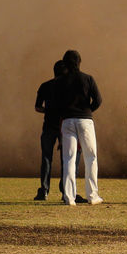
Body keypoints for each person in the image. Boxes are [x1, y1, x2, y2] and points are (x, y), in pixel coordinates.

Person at [57, 49, 104, 206]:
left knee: (68, 159)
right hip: (85, 121)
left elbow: (56, 103)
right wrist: (88, 110)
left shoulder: (60, 81)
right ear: (79, 62)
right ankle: (92, 195)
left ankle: (69, 197)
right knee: (91, 157)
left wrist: (66, 112)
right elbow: (98, 99)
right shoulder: (88, 78)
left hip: (68, 121)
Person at [33, 59, 68, 201]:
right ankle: (65, 190)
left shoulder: (45, 86)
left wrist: (48, 111)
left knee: (46, 159)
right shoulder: (67, 87)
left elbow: (37, 107)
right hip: (65, 126)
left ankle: (44, 190)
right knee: (66, 159)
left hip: (48, 126)